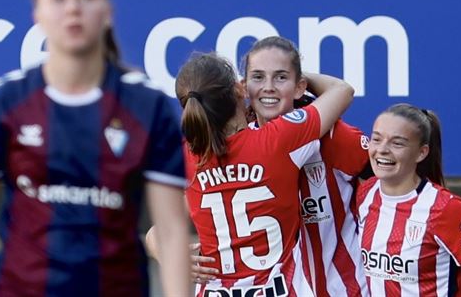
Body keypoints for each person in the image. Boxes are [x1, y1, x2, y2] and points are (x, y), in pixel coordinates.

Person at [0, 0, 190, 296]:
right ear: (38, 14)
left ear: (107, 11)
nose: (73, 8)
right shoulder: (3, 103)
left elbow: (171, 231)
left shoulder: (146, 105)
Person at [146, 36, 372, 296]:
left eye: (279, 77)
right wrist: (293, 76)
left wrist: (160, 249)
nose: (269, 87)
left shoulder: (188, 154)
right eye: (258, 77)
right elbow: (342, 90)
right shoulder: (275, 141)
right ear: (240, 89)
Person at [355, 103, 461, 296]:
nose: (382, 149)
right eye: (376, 139)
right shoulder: (365, 194)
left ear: (422, 152)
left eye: (397, 143)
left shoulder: (447, 208)